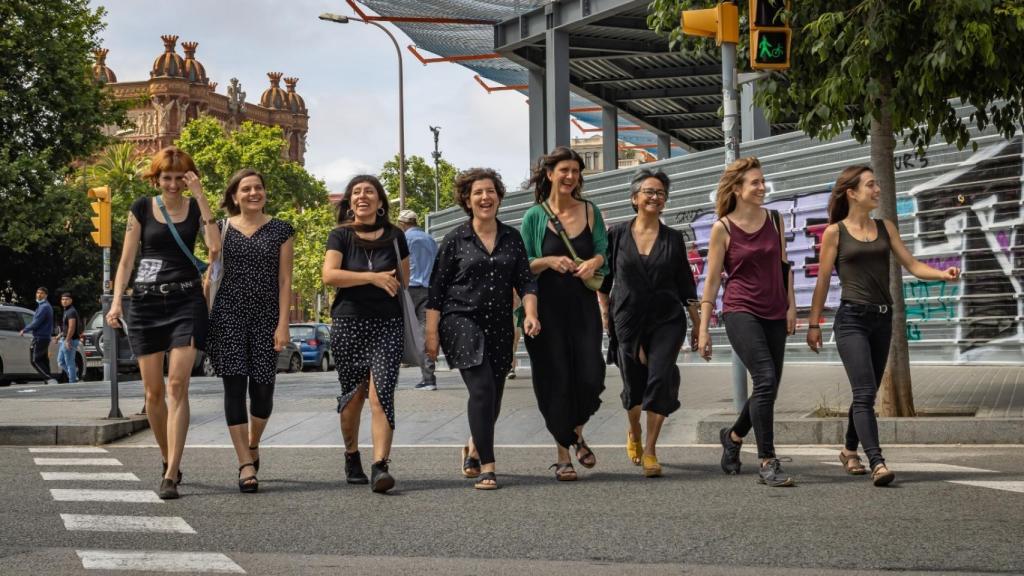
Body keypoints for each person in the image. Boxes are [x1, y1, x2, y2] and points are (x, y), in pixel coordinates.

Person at [807, 165, 959, 487]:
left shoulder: (885, 227)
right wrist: (814, 323)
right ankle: (877, 462)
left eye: (877, 184)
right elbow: (822, 279)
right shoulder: (835, 232)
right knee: (864, 393)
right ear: (852, 193)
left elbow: (913, 265)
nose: (877, 190)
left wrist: (942, 274)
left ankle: (849, 450)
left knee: (866, 392)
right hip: (851, 320)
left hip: (882, 319)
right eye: (871, 185)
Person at [107, 146, 221, 500]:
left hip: (186, 301)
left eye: (179, 178)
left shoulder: (194, 207)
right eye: (166, 178)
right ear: (156, 178)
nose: (172, 184)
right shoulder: (141, 208)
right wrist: (116, 303)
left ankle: (171, 472)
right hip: (145, 304)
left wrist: (201, 196)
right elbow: (126, 261)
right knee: (153, 393)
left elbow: (214, 248)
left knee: (177, 386)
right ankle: (165, 454)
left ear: (188, 178)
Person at [425, 168, 540, 490]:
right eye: (478, 192)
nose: (485, 197)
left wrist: (530, 314)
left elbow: (527, 281)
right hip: (460, 320)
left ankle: (474, 446)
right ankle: (488, 466)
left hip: (500, 323)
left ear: (499, 197)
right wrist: (431, 336)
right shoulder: (454, 239)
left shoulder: (511, 237)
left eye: (490, 191)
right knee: (482, 390)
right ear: (467, 199)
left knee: (495, 394)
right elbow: (436, 291)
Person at [697, 157, 797, 488]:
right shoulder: (722, 228)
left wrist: (791, 307)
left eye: (762, 181)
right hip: (740, 309)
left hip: (775, 308)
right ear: (737, 189)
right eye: (754, 182)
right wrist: (703, 327)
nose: (761, 186)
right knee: (765, 378)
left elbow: (785, 266)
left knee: (769, 385)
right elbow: (711, 280)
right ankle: (767, 460)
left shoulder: (775, 219)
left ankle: (734, 435)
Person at [598, 169, 699, 477]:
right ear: (635, 198)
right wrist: (605, 314)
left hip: (667, 318)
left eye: (661, 193)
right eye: (649, 192)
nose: (656, 197)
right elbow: (605, 280)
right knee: (634, 387)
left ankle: (652, 449)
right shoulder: (616, 235)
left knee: (660, 378)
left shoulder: (673, 238)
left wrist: (697, 324)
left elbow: (685, 282)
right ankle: (634, 431)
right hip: (627, 318)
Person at [520, 146, 608, 481]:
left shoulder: (589, 210)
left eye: (575, 171)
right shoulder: (535, 216)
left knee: (590, 375)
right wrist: (548, 261)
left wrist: (593, 263)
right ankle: (564, 455)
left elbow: (602, 251)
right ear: (549, 174)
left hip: (582, 308)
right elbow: (524, 264)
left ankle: (575, 434)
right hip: (545, 309)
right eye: (564, 170)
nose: (570, 177)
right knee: (554, 380)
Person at [205, 168, 294, 493]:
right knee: (233, 389)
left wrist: (283, 323)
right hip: (228, 315)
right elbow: (211, 260)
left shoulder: (282, 230)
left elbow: (285, 281)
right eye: (246, 189)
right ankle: (244, 463)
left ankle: (253, 441)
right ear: (234, 196)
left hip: (266, 317)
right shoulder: (221, 228)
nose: (254, 193)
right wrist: (200, 195)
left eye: (258, 187)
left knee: (262, 391)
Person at [322, 175, 410, 494]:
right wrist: (371, 278)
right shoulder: (340, 236)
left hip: (387, 323)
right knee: (353, 396)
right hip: (349, 323)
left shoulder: (396, 236)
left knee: (381, 393)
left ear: (380, 202)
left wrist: (383, 283)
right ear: (349, 202)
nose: (363, 196)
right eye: (356, 192)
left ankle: (380, 466)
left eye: (369, 192)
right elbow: (330, 275)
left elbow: (403, 280)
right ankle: (351, 455)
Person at [395, 209, 438, 391]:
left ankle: (389, 377)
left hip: (409, 289)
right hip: (429, 289)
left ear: (402, 224)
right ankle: (429, 379)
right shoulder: (430, 240)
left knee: (397, 330)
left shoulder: (403, 239)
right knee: (426, 333)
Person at [20, 287, 56, 384]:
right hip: (44, 337)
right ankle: (48, 380)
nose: (39, 295)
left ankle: (49, 379)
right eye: (37, 293)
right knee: (43, 359)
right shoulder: (44, 306)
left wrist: (25, 329)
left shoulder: (44, 307)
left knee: (35, 360)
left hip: (40, 337)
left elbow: (36, 322)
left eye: (42, 293)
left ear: (46, 295)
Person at [56, 292, 82, 384]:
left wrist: (67, 340)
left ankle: (72, 381)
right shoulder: (66, 311)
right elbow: (67, 328)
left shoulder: (71, 311)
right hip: (65, 339)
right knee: (60, 361)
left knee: (69, 362)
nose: (64, 301)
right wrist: (59, 335)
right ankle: (74, 376)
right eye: (62, 299)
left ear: (71, 300)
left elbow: (72, 327)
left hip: (70, 340)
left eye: (66, 299)